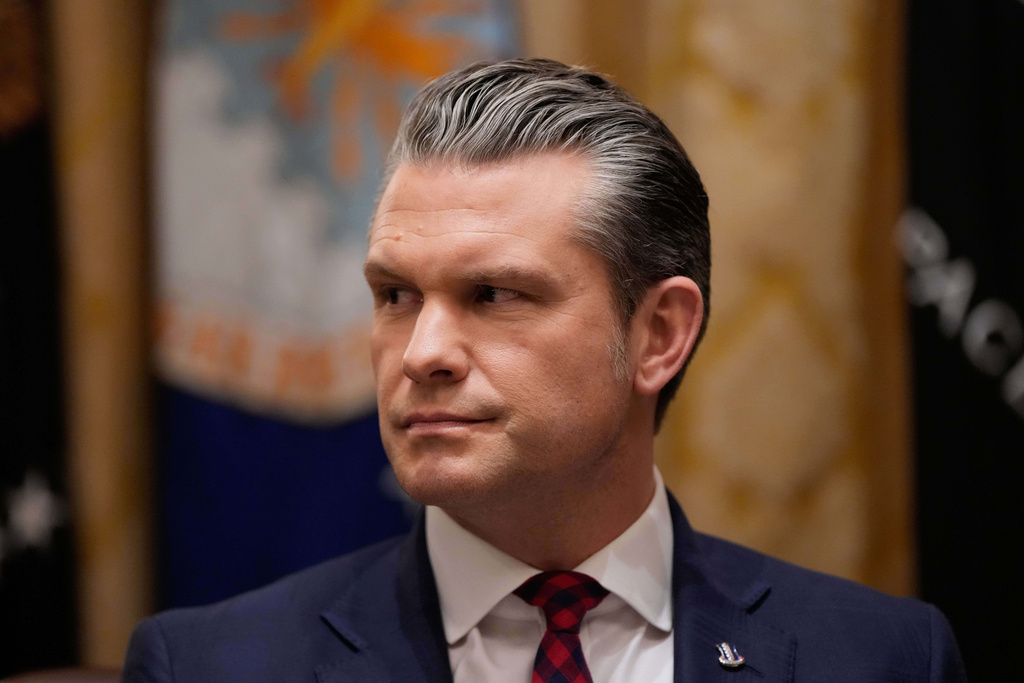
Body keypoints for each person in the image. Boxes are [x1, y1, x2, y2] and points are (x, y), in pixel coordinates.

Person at [123, 58, 966, 682]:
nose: (421, 354)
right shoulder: (208, 665)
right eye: (394, 294)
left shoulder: (881, 657)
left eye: (493, 294)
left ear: (659, 335)